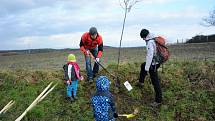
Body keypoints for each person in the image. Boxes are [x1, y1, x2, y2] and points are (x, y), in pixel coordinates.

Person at [136, 29, 162, 107]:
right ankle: (141, 82)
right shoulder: (154, 38)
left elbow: (150, 55)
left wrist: (147, 68)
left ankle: (158, 100)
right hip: (157, 62)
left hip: (153, 64)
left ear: (145, 36)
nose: (143, 39)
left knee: (155, 81)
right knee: (143, 65)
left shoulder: (150, 42)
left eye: (143, 38)